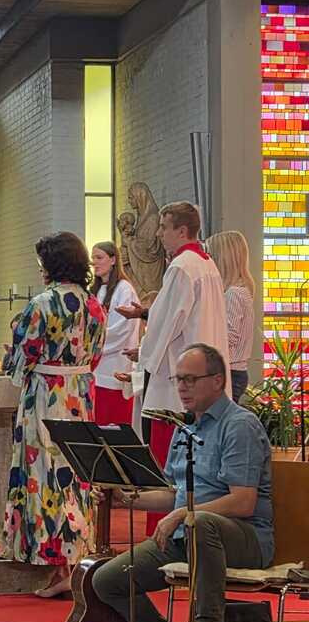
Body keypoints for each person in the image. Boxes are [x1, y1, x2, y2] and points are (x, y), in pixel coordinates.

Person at [92, 344, 272, 622]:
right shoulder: (184, 427)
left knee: (198, 523)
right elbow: (172, 493)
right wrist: (125, 499)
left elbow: (243, 501)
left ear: (218, 380)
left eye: (191, 379)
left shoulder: (239, 425)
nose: (183, 388)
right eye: (179, 380)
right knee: (107, 580)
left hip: (242, 537)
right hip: (187, 536)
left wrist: (182, 514)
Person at [0, 232, 106, 598]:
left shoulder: (43, 303)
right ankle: (72, 560)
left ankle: (61, 565)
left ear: (53, 264)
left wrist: (13, 358)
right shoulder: (94, 305)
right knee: (76, 476)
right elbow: (96, 355)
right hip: (80, 396)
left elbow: (22, 358)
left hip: (47, 397)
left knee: (45, 476)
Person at [116, 201, 230, 535]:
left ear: (182, 231)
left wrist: (143, 358)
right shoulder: (206, 264)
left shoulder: (181, 267)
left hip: (177, 385)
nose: (159, 233)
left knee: (169, 464)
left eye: (164, 227)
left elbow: (165, 323)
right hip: (205, 374)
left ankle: (164, 535)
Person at [90, 242, 140, 425]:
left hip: (114, 365)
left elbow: (122, 329)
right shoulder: (94, 291)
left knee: (113, 425)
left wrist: (92, 345)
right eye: (93, 258)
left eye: (99, 257)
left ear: (113, 260)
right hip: (95, 368)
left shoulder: (124, 289)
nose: (94, 262)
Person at [205, 231, 256, 402]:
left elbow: (228, 338)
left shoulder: (233, 293)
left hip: (230, 372)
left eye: (211, 255)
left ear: (223, 259)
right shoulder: (241, 291)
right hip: (232, 372)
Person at [117, 182, 166, 298]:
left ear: (140, 197)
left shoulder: (153, 218)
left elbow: (150, 247)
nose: (129, 201)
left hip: (150, 270)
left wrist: (129, 242)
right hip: (140, 265)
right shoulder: (142, 217)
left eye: (131, 198)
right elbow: (141, 239)